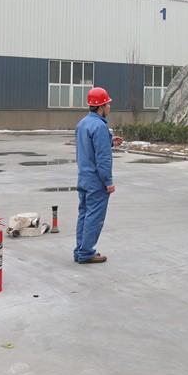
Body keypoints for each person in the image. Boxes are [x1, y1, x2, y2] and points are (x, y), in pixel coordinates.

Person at [74, 87, 120, 264]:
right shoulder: (100, 126)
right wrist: (108, 181)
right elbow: (102, 158)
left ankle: (80, 250)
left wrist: (109, 142)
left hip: (84, 177)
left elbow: (88, 147)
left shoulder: (82, 123)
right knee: (94, 217)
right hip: (96, 180)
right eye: (107, 104)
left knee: (84, 214)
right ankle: (86, 252)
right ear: (100, 107)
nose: (109, 107)